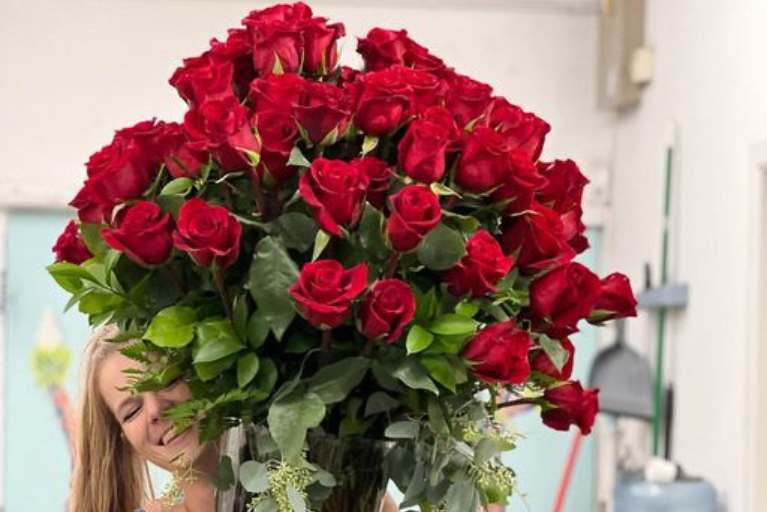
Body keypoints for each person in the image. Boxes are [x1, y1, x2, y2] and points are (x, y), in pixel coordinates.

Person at [68, 325, 399, 512]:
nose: (155, 410)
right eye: (132, 410)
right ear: (123, 436)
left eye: (168, 380)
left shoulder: (333, 494)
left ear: (206, 373)